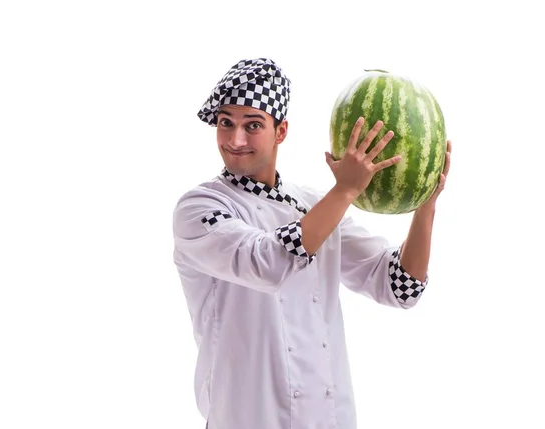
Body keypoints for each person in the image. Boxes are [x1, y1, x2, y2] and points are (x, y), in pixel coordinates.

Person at [172, 57, 451, 429]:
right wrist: (347, 189)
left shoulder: (312, 206)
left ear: (281, 131)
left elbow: (401, 286)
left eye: (252, 125)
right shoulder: (200, 208)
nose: (235, 140)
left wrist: (424, 203)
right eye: (226, 123)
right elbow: (268, 263)